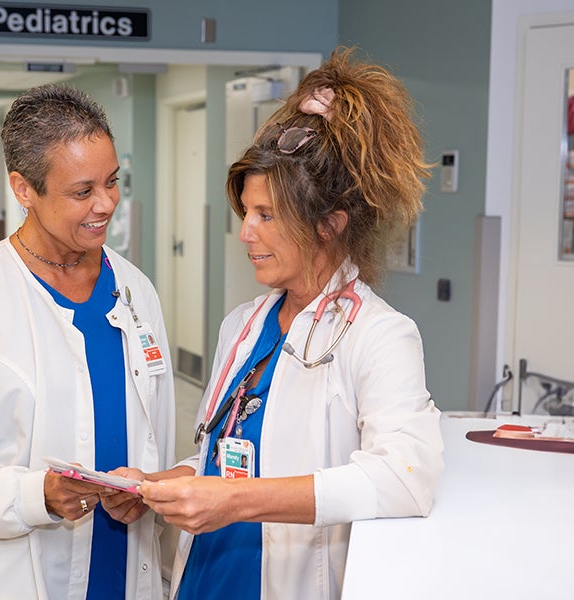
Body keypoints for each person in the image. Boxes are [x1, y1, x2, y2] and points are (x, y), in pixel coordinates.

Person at [138, 47, 445, 599]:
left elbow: (405, 479)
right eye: (246, 213)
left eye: (267, 216)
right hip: (207, 576)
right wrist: (164, 483)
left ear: (329, 224)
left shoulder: (379, 336)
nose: (245, 234)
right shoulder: (243, 326)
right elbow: (235, 453)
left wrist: (236, 500)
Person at [0, 84, 175, 599]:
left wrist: (150, 489)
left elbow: (155, 430)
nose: (106, 204)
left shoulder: (136, 290)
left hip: (125, 566)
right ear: (24, 189)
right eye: (82, 191)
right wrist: (36, 495)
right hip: (16, 577)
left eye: (113, 182)